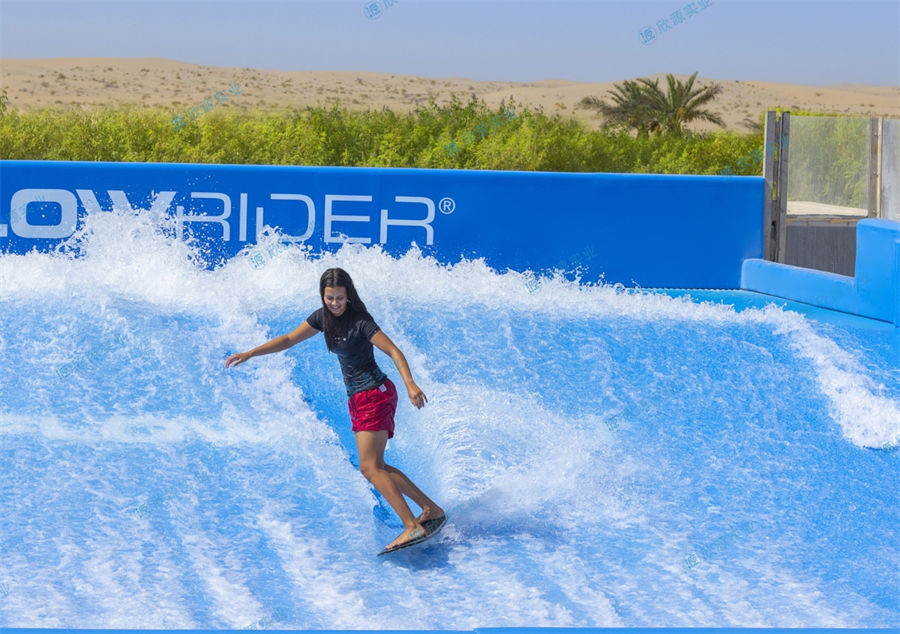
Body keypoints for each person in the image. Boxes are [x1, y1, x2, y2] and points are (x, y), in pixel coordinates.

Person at [225, 267, 444, 552]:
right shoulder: (322, 317)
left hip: (374, 394)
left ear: (348, 295)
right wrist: (251, 352)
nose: (335, 303)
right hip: (360, 398)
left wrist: (410, 383)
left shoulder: (360, 321)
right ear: (323, 296)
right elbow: (289, 339)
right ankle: (430, 509)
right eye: (330, 298)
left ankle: (411, 525)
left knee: (369, 468)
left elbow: (393, 351)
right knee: (377, 467)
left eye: (340, 298)